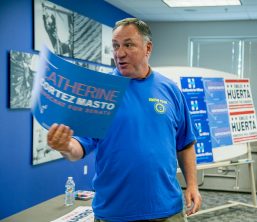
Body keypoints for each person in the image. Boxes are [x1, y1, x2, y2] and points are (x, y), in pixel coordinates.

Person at [47, 18, 202, 221]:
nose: (119, 53)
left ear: (148, 48)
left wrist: (192, 185)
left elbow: (185, 144)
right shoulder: (100, 91)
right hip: (114, 212)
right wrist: (64, 145)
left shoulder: (170, 90)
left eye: (128, 45)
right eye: (115, 46)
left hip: (167, 210)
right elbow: (78, 149)